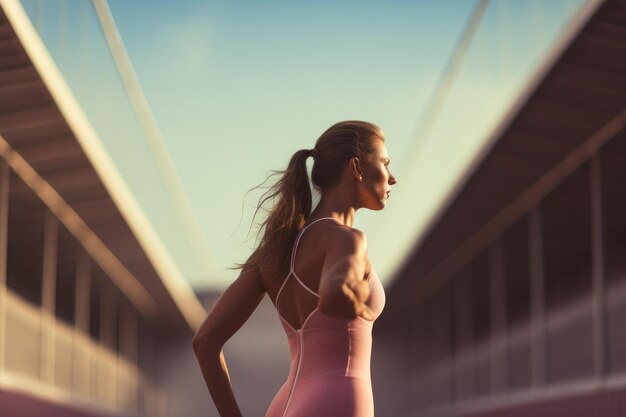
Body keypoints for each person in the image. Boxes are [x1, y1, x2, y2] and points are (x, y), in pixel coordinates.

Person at [192, 120, 397, 417]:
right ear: (356, 167)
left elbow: (205, 341)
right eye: (385, 163)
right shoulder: (347, 240)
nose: (392, 178)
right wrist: (340, 292)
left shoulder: (274, 252)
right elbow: (336, 287)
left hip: (285, 404)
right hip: (338, 401)